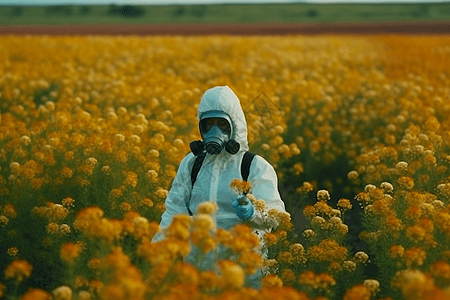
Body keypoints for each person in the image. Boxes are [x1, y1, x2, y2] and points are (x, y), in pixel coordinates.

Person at [152, 85, 286, 285]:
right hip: (198, 270)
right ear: (201, 127)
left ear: (235, 126)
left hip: (245, 273)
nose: (215, 131)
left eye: (221, 124)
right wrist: (156, 251)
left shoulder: (254, 166)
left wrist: (254, 213)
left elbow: (277, 215)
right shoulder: (191, 164)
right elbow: (174, 210)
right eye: (209, 124)